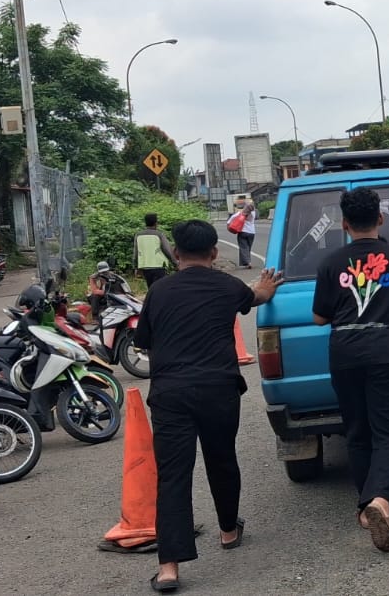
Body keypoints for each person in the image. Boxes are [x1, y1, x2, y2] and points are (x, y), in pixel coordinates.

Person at [134, 219, 284, 593]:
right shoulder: (227, 285)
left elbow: (142, 340)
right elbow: (255, 298)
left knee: (173, 475)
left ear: (176, 254)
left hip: (170, 394)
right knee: (222, 459)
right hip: (219, 389)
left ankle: (169, 569)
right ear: (215, 253)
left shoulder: (159, 291)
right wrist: (265, 288)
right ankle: (228, 531)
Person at [311, 187, 389, 553]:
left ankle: (366, 507)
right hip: (384, 352)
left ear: (344, 224)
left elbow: (319, 318)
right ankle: (380, 500)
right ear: (381, 219)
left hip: (344, 353)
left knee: (357, 430)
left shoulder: (331, 263)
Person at [134, 213, 177, 290]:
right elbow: (167, 250)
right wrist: (175, 263)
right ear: (156, 223)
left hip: (145, 267)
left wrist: (136, 267)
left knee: (151, 289)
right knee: (160, 289)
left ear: (145, 222)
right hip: (159, 266)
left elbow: (136, 253)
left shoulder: (138, 235)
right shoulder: (159, 234)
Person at [228, 201, 258, 269]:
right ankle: (247, 262)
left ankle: (248, 263)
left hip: (242, 232)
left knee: (243, 248)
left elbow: (229, 221)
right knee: (248, 248)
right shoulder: (253, 213)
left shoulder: (239, 213)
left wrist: (229, 227)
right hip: (252, 233)